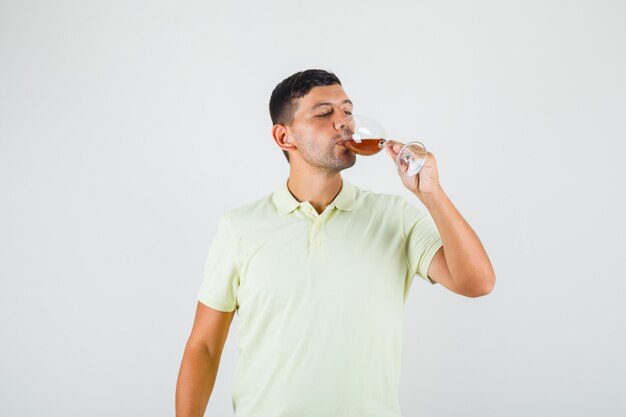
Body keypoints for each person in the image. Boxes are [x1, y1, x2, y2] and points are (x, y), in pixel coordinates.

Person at [175, 69, 495, 417]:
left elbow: (478, 282)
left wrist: (431, 194)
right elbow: (204, 346)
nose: (344, 123)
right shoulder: (240, 227)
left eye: (347, 111)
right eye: (325, 113)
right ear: (284, 137)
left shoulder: (395, 217)